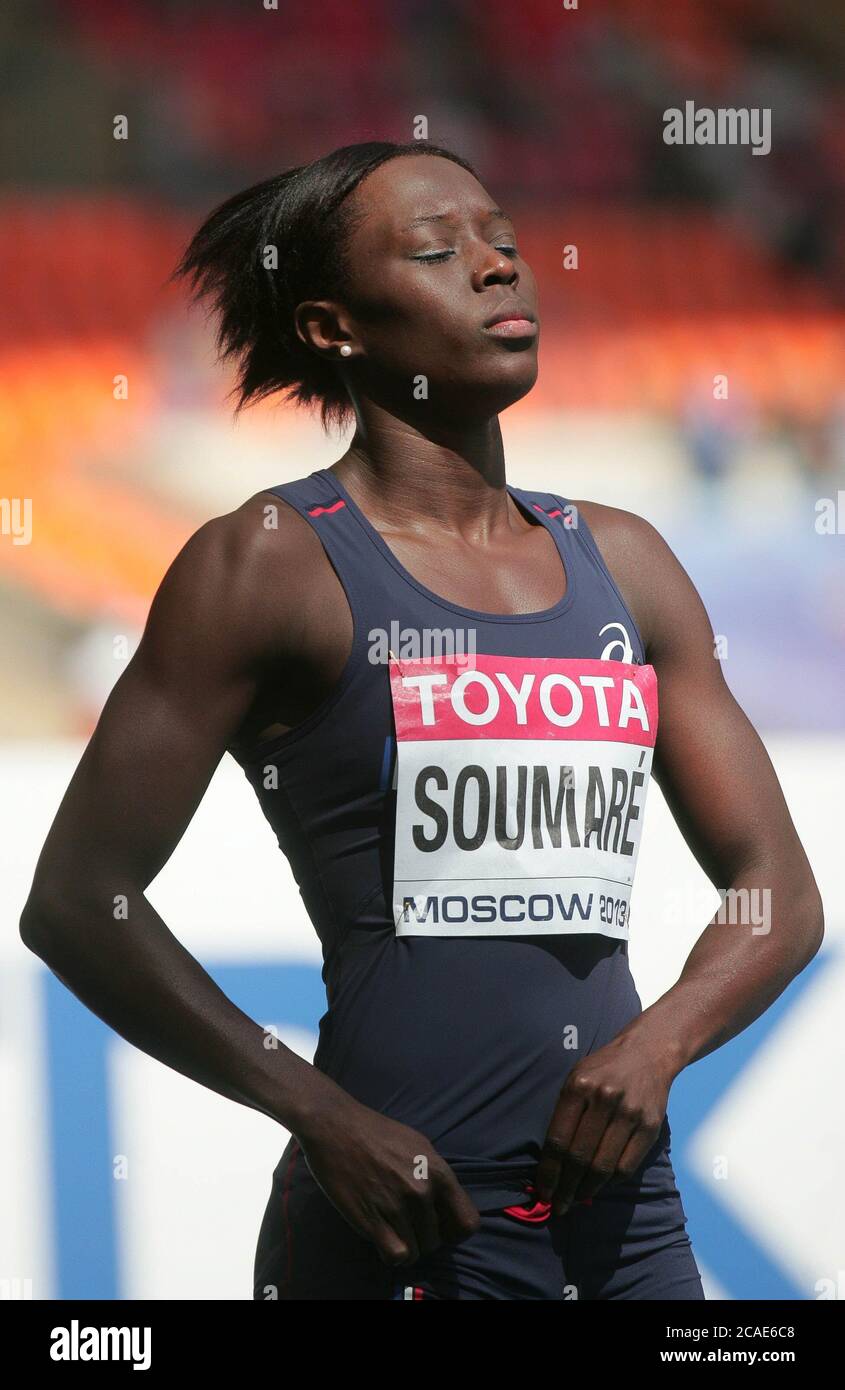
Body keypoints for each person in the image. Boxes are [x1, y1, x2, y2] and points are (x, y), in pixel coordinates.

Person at [20, 140, 824, 1301]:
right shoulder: (264, 567)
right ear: (332, 327)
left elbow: (777, 892)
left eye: (501, 239)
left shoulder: (628, 565)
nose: (499, 269)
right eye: (439, 251)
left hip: (622, 1222)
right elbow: (78, 904)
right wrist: (317, 1114)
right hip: (396, 1222)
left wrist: (657, 1044)